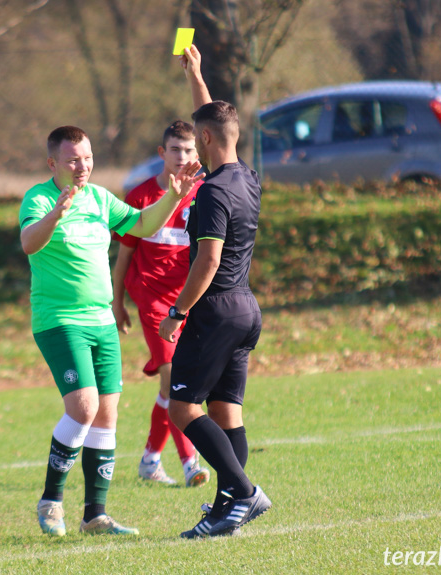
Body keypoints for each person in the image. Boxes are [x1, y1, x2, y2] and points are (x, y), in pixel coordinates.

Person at [20, 125, 202, 537]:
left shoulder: (101, 198)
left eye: (86, 157)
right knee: (83, 408)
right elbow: (29, 243)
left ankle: (95, 516)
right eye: (71, 159)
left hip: (101, 322)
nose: (81, 166)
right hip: (61, 321)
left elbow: (141, 225)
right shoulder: (38, 198)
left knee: (106, 416)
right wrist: (56, 213)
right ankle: (51, 502)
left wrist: (173, 196)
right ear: (53, 164)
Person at [158, 45, 272, 539]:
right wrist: (196, 76)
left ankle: (244, 493)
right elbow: (214, 121)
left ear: (203, 140)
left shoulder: (211, 193)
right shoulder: (245, 178)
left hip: (215, 311)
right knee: (227, 413)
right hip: (247, 309)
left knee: (182, 408)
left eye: (196, 138)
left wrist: (178, 313)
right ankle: (229, 510)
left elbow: (207, 261)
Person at [111, 120, 210, 488]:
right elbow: (123, 257)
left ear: (196, 154)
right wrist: (117, 301)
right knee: (175, 380)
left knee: (172, 389)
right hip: (152, 302)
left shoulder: (204, 194)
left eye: (187, 150)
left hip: (187, 301)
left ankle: (151, 459)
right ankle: (190, 463)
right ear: (161, 153)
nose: (181, 157)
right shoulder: (140, 197)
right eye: (174, 150)